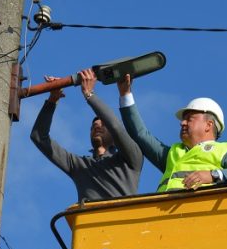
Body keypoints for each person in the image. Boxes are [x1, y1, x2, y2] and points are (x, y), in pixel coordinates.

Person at [117, 75, 227, 192]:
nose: (182, 123)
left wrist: (213, 175)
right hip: (162, 220)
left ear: (208, 125)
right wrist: (125, 94)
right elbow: (140, 134)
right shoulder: (173, 153)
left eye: (189, 119)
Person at [30, 68, 143, 201]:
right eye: (93, 126)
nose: (97, 126)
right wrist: (52, 100)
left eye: (103, 125)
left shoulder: (132, 158)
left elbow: (116, 126)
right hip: (91, 220)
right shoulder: (80, 166)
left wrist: (90, 94)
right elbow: (39, 137)